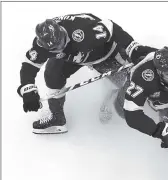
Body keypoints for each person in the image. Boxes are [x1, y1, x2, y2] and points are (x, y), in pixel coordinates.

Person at [18, 13, 153, 134]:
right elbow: (30, 64)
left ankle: (146, 95)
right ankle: (57, 117)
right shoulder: (42, 45)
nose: (60, 47)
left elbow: (111, 27)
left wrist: (133, 48)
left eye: (60, 43)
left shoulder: (83, 31)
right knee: (52, 73)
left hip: (105, 54)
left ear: (61, 32)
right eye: (54, 48)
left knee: (130, 82)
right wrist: (28, 87)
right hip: (73, 58)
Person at [122, 46, 168, 154]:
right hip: (139, 86)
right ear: (159, 72)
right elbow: (131, 115)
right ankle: (112, 98)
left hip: (160, 96)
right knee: (120, 110)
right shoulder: (144, 76)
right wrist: (159, 131)